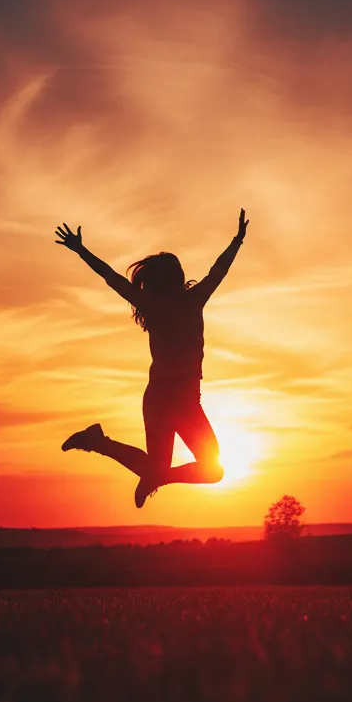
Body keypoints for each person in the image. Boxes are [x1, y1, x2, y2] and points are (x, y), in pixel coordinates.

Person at [56, 209, 249, 508]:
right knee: (197, 469)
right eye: (176, 269)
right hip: (162, 397)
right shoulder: (159, 303)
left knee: (212, 471)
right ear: (171, 278)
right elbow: (111, 277)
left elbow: (219, 270)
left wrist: (237, 241)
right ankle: (102, 445)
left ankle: (109, 448)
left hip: (187, 399)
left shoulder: (192, 299)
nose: (182, 272)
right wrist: (81, 250)